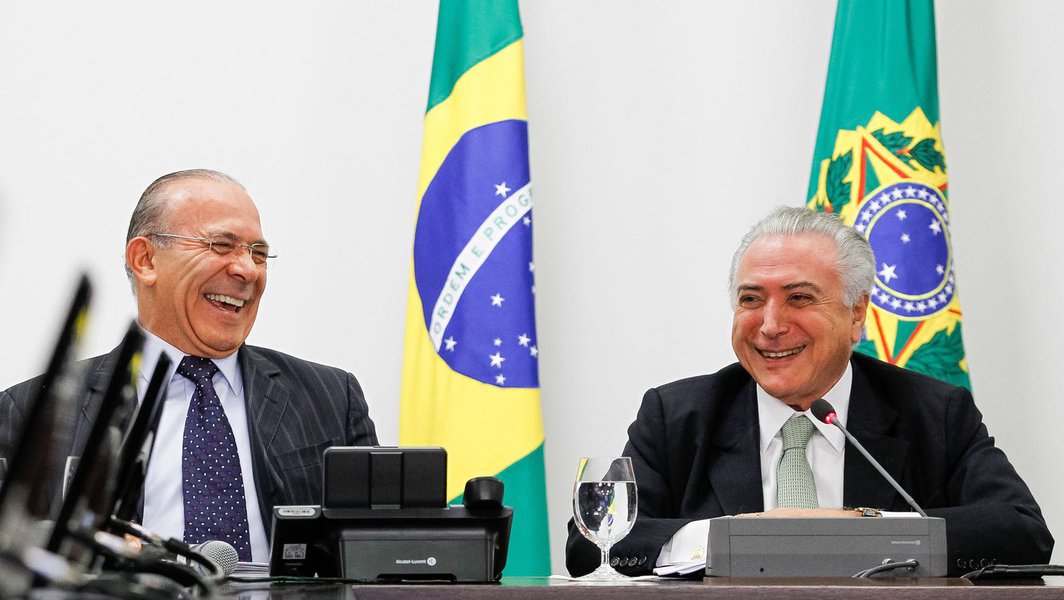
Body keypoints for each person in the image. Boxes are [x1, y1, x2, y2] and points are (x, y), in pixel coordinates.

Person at [566, 206, 1052, 577]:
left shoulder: (933, 412)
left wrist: (864, 529)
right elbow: (590, 546)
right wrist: (732, 539)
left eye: (799, 298)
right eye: (751, 300)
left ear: (856, 314)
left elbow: (1024, 534)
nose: (770, 326)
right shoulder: (677, 415)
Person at [0, 169, 378, 563]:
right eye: (221, 245)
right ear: (145, 260)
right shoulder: (30, 412)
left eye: (259, 254)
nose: (247, 270)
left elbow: (373, 556)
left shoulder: (333, 399)